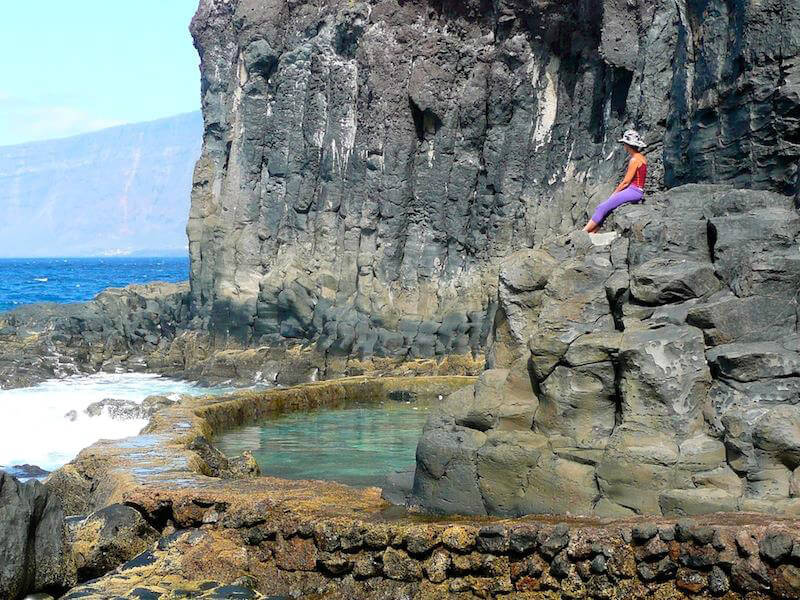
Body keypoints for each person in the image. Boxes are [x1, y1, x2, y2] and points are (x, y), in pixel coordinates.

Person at [583, 130, 647, 233]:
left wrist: (615, 193)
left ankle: (583, 232)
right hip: (637, 191)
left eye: (624, 144)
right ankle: (593, 232)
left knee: (601, 208)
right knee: (606, 208)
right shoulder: (642, 158)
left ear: (627, 145)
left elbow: (626, 182)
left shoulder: (634, 160)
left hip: (633, 191)